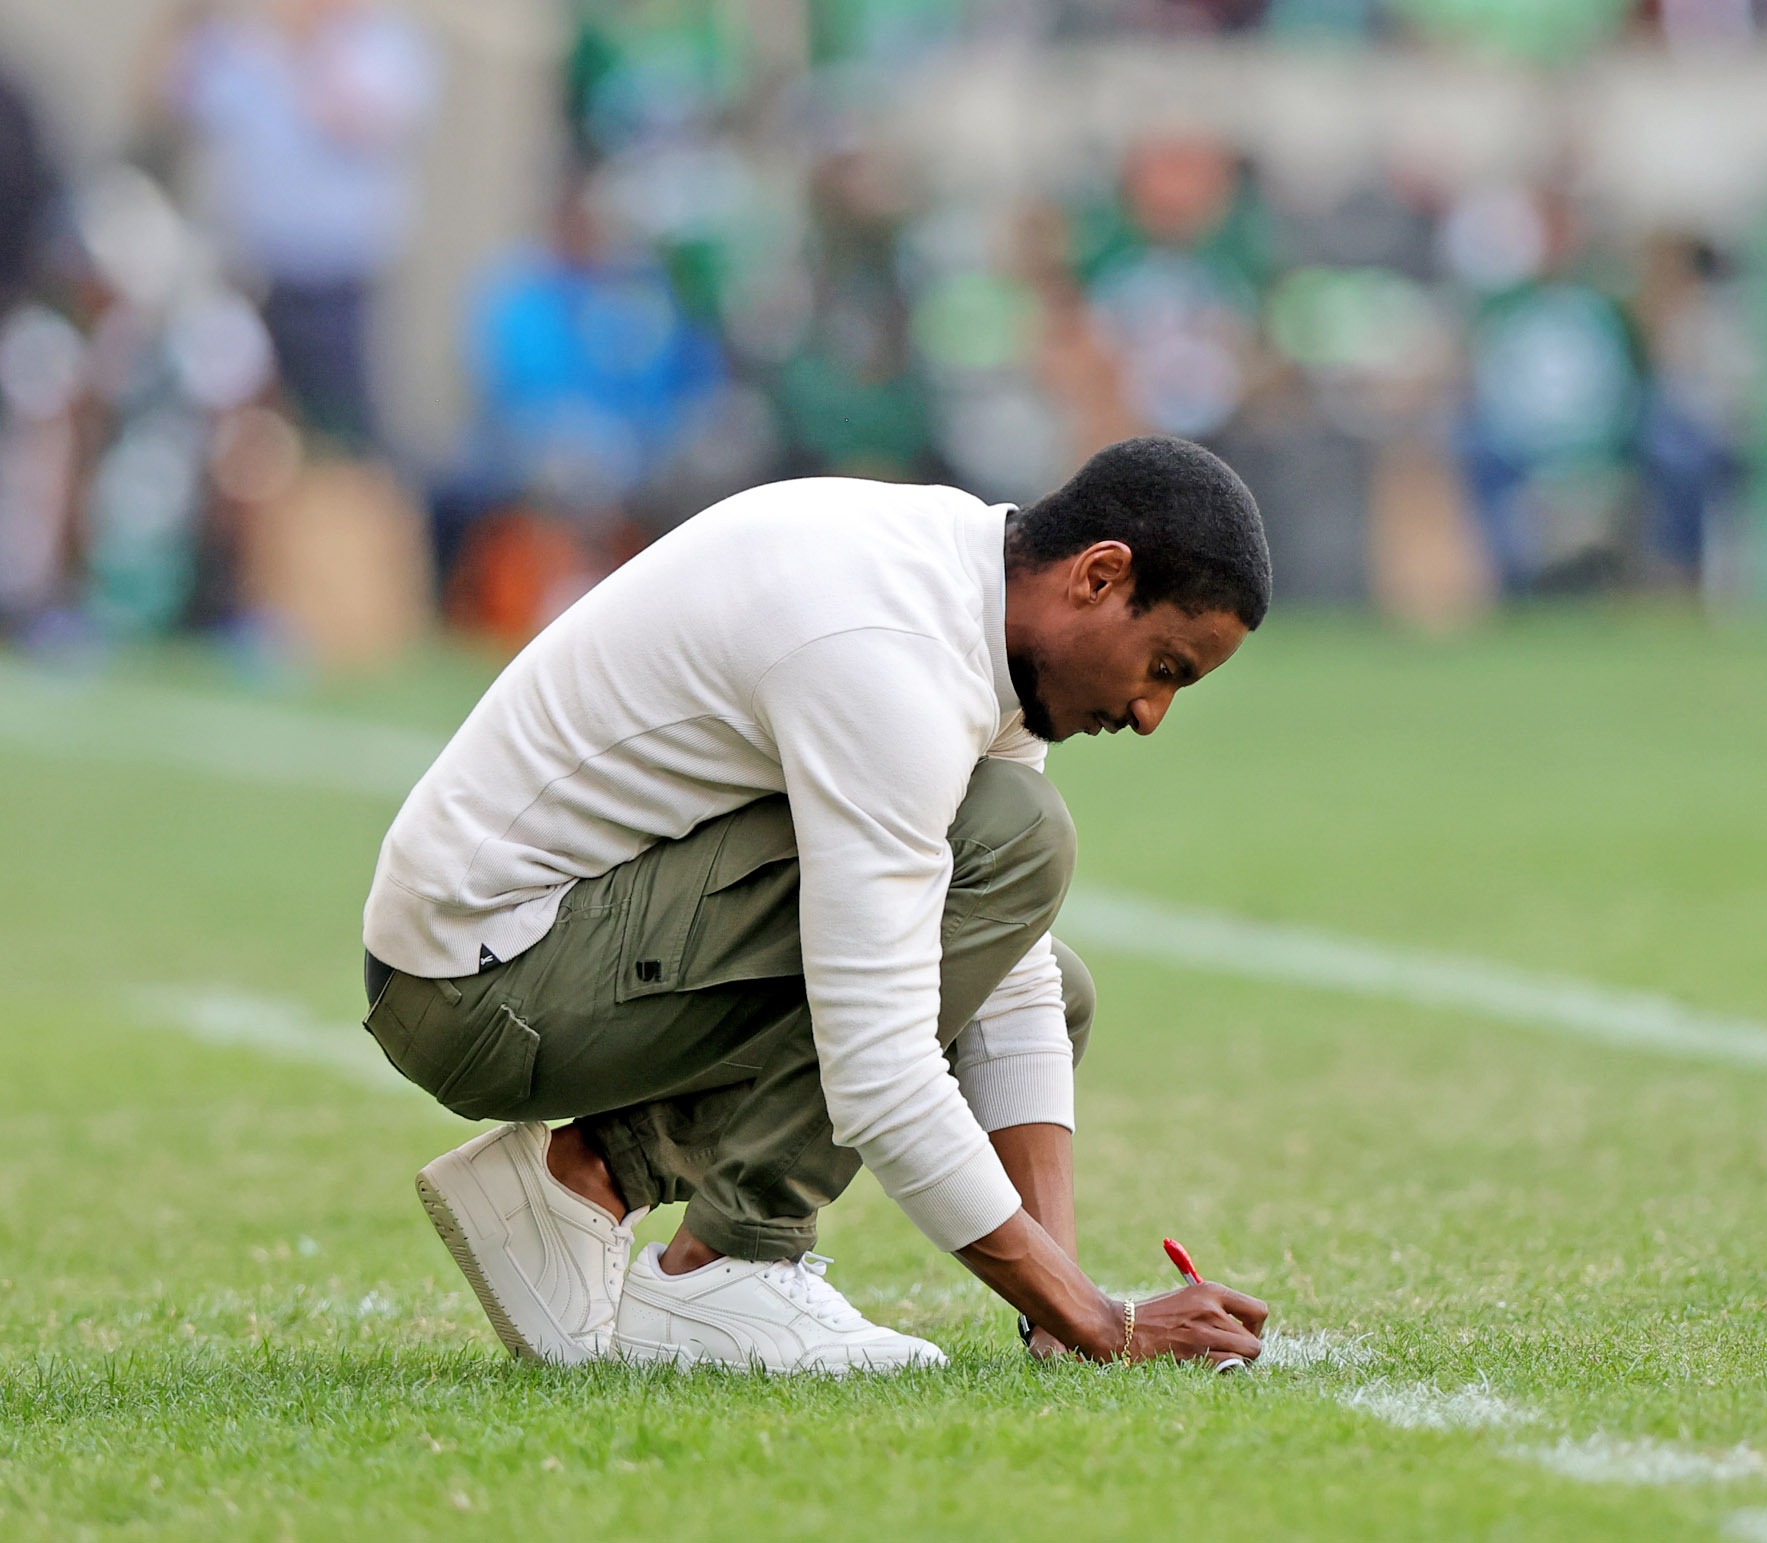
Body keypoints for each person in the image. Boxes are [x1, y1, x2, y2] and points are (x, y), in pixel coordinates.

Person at [360, 436, 1273, 1373]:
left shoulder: (967, 591)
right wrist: (1102, 1320)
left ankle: (584, 1180)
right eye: (1164, 665)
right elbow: (878, 1065)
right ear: (1098, 575)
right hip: (485, 982)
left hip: (507, 952)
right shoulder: (893, 652)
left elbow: (1009, 975)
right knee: (1018, 837)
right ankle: (728, 1265)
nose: (1150, 713)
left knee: (1035, 948)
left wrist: (1062, 1314)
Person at [168, 0, 437, 450]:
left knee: (338, 426)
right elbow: (181, 101)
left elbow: (353, 122)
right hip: (248, 273)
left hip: (335, 280)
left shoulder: (386, 44)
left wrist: (308, 44)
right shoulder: (250, 37)